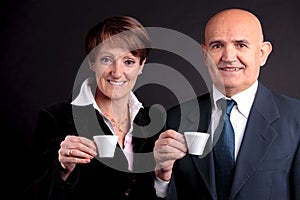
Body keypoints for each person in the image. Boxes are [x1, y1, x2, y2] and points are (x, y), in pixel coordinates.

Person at [153, 8, 300, 200]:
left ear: (262, 53)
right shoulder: (175, 119)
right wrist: (162, 177)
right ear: (205, 55)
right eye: (217, 46)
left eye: (240, 45)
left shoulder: (296, 117)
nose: (228, 57)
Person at [22, 15, 159, 200]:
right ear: (91, 62)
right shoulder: (56, 119)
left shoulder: (152, 120)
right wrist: (61, 169)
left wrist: (164, 177)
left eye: (128, 61)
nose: (117, 73)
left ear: (141, 65)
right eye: (106, 60)